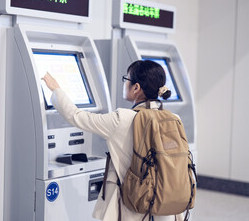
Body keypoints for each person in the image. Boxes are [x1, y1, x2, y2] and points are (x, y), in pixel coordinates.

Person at [42, 60, 183, 221]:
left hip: (133, 205)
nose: (124, 84)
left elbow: (76, 116)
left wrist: (55, 89)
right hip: (166, 205)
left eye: (126, 79)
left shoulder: (122, 119)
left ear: (136, 87)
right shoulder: (174, 119)